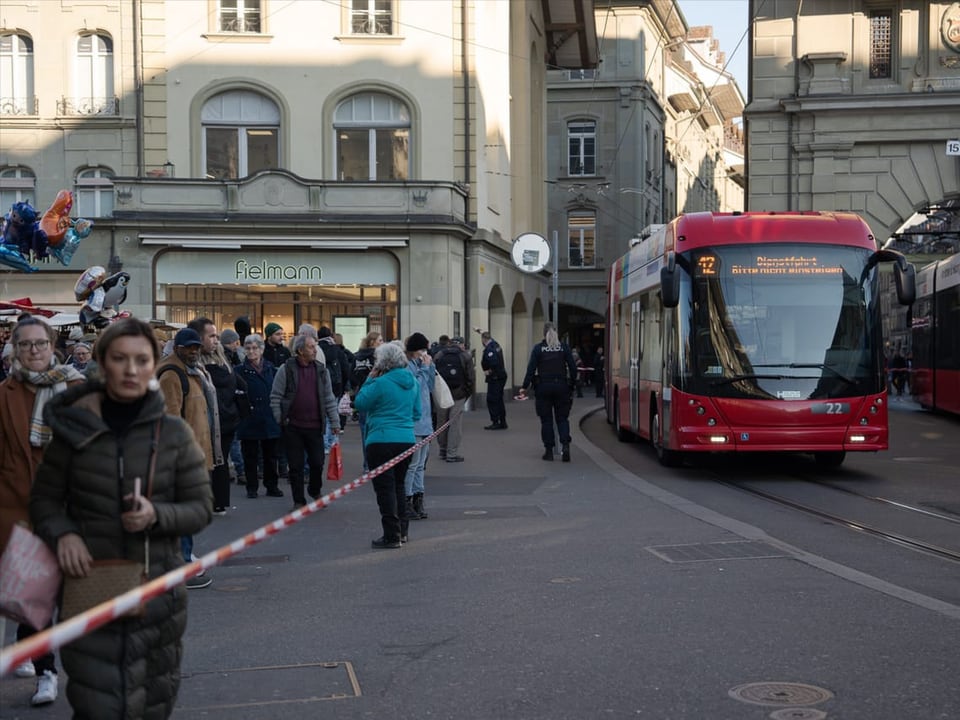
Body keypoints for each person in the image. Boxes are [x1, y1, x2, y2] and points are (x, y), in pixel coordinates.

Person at [30, 317, 212, 720]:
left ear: (152, 364)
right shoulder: (74, 431)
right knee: (98, 706)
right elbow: (43, 501)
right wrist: (64, 536)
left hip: (157, 593)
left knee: (151, 706)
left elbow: (201, 508)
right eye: (119, 359)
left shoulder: (174, 435)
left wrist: (157, 514)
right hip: (90, 585)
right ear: (101, 363)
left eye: (141, 360)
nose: (131, 369)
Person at [0, 314, 85, 706]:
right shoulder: (5, 394)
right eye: (25, 345)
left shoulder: (76, 388)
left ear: (54, 347)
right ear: (15, 350)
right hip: (20, 507)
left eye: (40, 344)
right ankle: (46, 672)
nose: (33, 351)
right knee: (34, 598)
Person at [156, 327, 221, 589]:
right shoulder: (172, 374)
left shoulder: (192, 371)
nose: (194, 351)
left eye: (196, 347)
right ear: (178, 349)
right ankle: (181, 563)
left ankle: (182, 558)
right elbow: (169, 420)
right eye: (189, 348)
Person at [353, 341, 419, 549]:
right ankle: (403, 530)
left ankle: (391, 535)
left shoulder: (380, 383)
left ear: (382, 363)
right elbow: (417, 413)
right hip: (406, 439)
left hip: (380, 439)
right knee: (399, 485)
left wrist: (369, 380)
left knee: (385, 489)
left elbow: (360, 403)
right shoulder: (412, 382)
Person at [270, 334, 341, 508]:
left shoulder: (321, 370)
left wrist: (335, 421)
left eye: (315, 346)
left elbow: (329, 397)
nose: (315, 350)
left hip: (315, 426)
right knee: (296, 466)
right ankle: (298, 500)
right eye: (311, 347)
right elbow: (275, 396)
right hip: (293, 426)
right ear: (300, 350)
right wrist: (280, 418)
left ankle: (314, 490)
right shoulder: (286, 369)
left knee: (317, 463)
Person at [189, 317, 244, 516]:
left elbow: (239, 386)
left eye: (216, 336)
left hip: (226, 421)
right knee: (210, 462)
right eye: (211, 336)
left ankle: (217, 501)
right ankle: (211, 501)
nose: (215, 340)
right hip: (207, 422)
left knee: (219, 461)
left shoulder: (222, 361)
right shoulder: (193, 366)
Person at [517, 322, 578, 462]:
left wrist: (524, 386)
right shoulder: (564, 348)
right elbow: (573, 368)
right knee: (562, 419)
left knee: (546, 421)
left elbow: (531, 369)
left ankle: (549, 451)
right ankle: (565, 446)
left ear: (544, 334)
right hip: (561, 387)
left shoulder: (538, 349)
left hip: (543, 387)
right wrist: (572, 383)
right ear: (556, 333)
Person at [234, 333, 283, 499]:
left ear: (261, 349)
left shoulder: (271, 369)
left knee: (271, 456)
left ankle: (272, 486)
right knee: (250, 456)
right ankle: (252, 487)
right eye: (248, 348)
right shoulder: (239, 371)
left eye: (255, 348)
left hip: (269, 417)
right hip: (249, 418)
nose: (251, 351)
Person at [403, 332, 435, 520]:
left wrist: (430, 369)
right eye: (423, 350)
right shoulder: (408, 368)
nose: (425, 353)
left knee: (421, 465)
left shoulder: (423, 365)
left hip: (426, 422)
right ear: (416, 351)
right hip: (414, 423)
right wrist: (424, 369)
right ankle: (407, 500)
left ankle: (418, 498)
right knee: (413, 465)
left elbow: (429, 387)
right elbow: (416, 388)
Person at [434, 335, 474, 462]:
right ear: (461, 344)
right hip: (458, 394)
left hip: (442, 394)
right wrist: (467, 393)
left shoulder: (439, 355)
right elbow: (471, 378)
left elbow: (434, 374)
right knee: (454, 423)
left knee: (442, 422)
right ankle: (452, 453)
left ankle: (442, 450)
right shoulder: (465, 356)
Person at [352, 330, 382, 471]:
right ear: (373, 342)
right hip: (375, 394)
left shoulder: (357, 356)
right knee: (376, 429)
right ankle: (376, 463)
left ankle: (367, 464)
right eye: (380, 341)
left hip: (362, 393)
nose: (382, 343)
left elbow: (351, 375)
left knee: (365, 430)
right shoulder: (378, 357)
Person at [317, 326, 351, 443]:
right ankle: (333, 441)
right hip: (336, 385)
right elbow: (346, 368)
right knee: (333, 413)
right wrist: (344, 384)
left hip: (321, 385)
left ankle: (325, 441)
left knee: (323, 415)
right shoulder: (337, 350)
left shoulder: (316, 349)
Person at [477, 329, 508, 430]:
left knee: (492, 399)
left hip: (495, 378)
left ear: (483, 340)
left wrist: (488, 371)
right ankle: (502, 421)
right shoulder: (495, 344)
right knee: (499, 399)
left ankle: (496, 421)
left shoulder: (490, 349)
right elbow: (489, 337)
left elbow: (494, 363)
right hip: (501, 376)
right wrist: (479, 331)